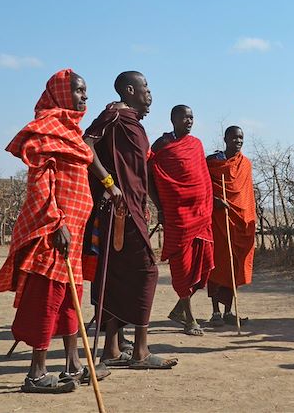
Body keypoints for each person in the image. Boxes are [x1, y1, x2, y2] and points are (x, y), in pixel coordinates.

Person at [0, 69, 103, 392]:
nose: (85, 98)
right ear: (61, 93)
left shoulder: (72, 132)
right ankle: (36, 374)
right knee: (47, 299)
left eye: (86, 92)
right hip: (54, 232)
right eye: (79, 91)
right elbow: (40, 184)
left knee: (69, 300)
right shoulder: (46, 131)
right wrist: (56, 222)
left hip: (73, 234)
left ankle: (73, 365)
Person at [82, 71, 176, 369]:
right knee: (146, 271)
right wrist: (109, 183)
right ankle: (141, 352)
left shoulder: (131, 123)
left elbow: (140, 172)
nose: (150, 93)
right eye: (146, 87)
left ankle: (111, 349)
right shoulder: (113, 115)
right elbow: (85, 144)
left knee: (118, 275)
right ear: (130, 89)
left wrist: (155, 204)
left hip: (133, 208)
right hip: (118, 210)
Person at [150, 105, 215, 336]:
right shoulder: (161, 146)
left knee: (204, 263)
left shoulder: (196, 144)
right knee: (182, 266)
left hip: (201, 214)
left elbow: (203, 178)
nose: (189, 121)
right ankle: (190, 319)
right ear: (173, 119)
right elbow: (150, 176)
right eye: (185, 117)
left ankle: (180, 310)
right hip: (177, 215)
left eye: (192, 117)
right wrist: (160, 206)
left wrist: (209, 204)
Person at [206, 126, 256, 326]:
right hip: (218, 218)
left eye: (241, 138)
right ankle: (215, 312)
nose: (238, 141)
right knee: (218, 263)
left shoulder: (245, 164)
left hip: (240, 220)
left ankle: (228, 311)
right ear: (225, 139)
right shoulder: (212, 162)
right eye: (234, 137)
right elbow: (203, 187)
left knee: (234, 265)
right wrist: (215, 200)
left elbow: (247, 195)